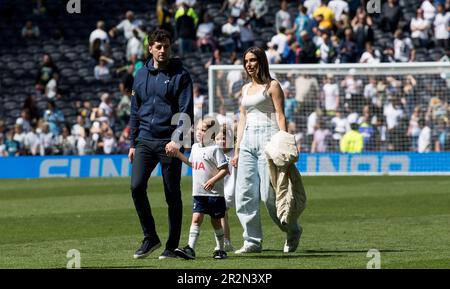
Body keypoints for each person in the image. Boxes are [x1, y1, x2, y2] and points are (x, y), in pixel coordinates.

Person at [129, 29, 194, 260]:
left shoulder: (181, 75)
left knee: (172, 194)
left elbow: (186, 113)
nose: (163, 49)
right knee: (136, 187)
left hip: (170, 142)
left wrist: (176, 141)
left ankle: (171, 247)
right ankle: (150, 238)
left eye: (166, 45)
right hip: (145, 140)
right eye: (158, 46)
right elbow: (135, 110)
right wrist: (132, 142)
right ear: (150, 48)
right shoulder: (140, 74)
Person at [231, 47, 302, 254]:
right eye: (246, 61)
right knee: (244, 195)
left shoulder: (273, 86)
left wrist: (285, 144)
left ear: (261, 61)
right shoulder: (244, 89)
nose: (249, 64)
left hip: (269, 142)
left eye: (253, 60)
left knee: (268, 196)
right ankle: (252, 241)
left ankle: (292, 229)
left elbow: (280, 115)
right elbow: (242, 118)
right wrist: (237, 149)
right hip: (247, 144)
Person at [174, 118, 229, 260]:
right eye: (198, 129)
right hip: (198, 192)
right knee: (196, 218)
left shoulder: (215, 149)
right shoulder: (195, 147)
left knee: (216, 221)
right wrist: (178, 154)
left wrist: (212, 180)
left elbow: (224, 169)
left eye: (203, 130)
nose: (199, 132)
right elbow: (193, 164)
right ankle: (190, 248)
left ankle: (220, 249)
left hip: (214, 193)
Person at [215, 124, 237, 252]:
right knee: (222, 214)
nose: (221, 142)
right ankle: (226, 242)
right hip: (223, 190)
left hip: (237, 190)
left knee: (244, 214)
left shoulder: (236, 153)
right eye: (218, 139)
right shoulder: (215, 153)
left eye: (224, 138)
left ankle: (252, 239)